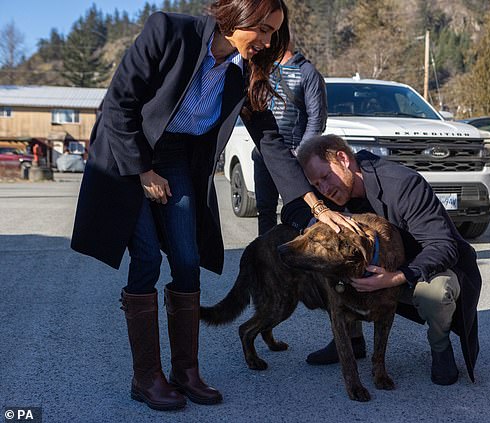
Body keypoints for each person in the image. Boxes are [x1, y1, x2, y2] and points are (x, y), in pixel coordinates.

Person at [71, 0, 354, 412]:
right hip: (126, 154)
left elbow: (271, 142)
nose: (267, 41)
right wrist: (143, 172)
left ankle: (186, 372)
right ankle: (146, 377)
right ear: (238, 17)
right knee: (148, 258)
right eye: (263, 29)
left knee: (187, 259)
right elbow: (118, 105)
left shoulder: (246, 72)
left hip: (176, 158)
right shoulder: (168, 31)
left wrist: (313, 204)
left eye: (274, 32)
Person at [292, 134, 482, 386]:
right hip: (374, 273)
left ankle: (440, 344)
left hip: (420, 268)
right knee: (322, 259)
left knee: (435, 292)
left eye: (326, 177)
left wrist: (394, 278)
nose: (324, 189)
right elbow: (292, 210)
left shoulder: (403, 185)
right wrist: (316, 215)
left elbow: (443, 246)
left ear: (343, 159)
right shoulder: (325, 198)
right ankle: (351, 338)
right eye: (316, 184)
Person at [251, 39, 327, 235]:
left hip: (295, 156)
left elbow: (316, 119)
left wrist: (300, 154)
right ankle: (264, 260)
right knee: (265, 210)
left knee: (299, 212)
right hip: (264, 154)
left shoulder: (307, 72)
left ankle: (299, 259)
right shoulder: (262, 70)